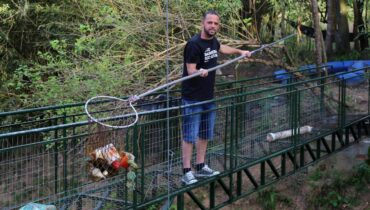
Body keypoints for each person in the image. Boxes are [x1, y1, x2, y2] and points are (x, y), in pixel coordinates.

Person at [181, 10, 251, 185]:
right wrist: (199, 71)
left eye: (216, 23)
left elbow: (222, 48)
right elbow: (190, 70)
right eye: (210, 22)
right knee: (190, 135)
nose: (213, 26)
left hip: (208, 97)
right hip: (193, 98)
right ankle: (186, 171)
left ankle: (201, 166)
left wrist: (240, 51)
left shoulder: (213, 41)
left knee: (205, 133)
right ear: (203, 23)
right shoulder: (194, 44)